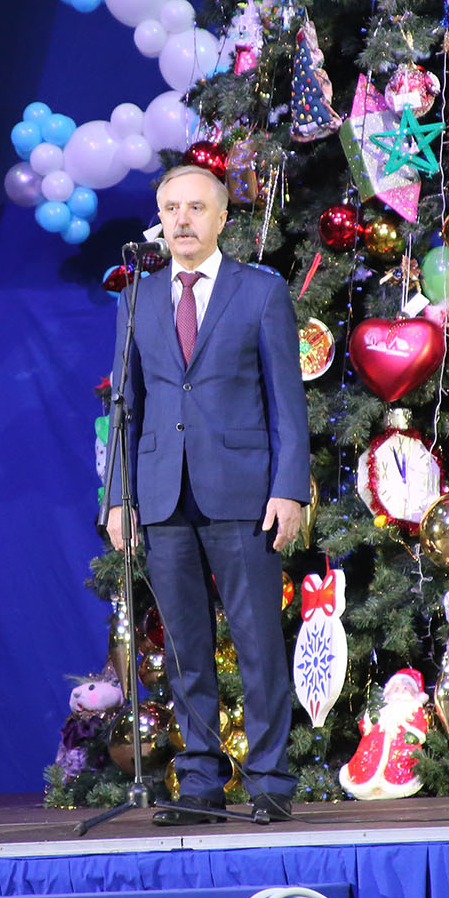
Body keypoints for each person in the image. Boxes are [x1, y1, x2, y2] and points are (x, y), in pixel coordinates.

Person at [105, 164, 310, 825]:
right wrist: (119, 497)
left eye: (196, 207)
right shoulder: (137, 298)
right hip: (163, 494)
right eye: (171, 208)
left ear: (222, 217)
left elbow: (287, 402)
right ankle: (198, 781)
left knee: (257, 643)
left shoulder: (259, 292)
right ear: (160, 220)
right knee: (184, 648)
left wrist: (288, 489)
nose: (183, 219)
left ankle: (269, 780)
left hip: (243, 493)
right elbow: (125, 405)